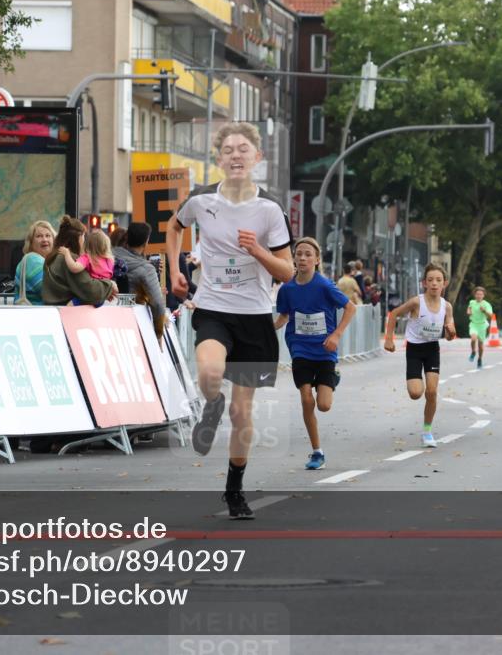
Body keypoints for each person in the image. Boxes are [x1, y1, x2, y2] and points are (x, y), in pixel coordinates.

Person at [166, 122, 294, 520]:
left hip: (255, 317)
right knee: (208, 372)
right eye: (228, 150)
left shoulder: (270, 210)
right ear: (218, 159)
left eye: (244, 149)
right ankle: (211, 403)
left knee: (244, 413)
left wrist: (258, 251)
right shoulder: (202, 201)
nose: (236, 155)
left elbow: (288, 272)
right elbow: (174, 226)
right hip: (214, 309)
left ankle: (234, 488)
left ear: (258, 158)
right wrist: (174, 270)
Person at [274, 237, 355, 471]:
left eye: (308, 254)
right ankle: (317, 451)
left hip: (324, 351)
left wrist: (337, 335)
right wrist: (265, 330)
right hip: (299, 349)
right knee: (306, 398)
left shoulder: (324, 286)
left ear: (317, 260)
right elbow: (283, 317)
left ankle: (332, 378)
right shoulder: (287, 289)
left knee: (324, 406)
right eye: (298, 254)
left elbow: (350, 308)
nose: (302, 258)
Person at [384, 263, 457, 448]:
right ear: (424, 283)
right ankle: (416, 384)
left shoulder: (446, 307)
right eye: (431, 280)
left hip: (432, 349)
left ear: (444, 284)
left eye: (438, 280)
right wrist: (389, 339)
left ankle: (427, 431)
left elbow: (449, 336)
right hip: (415, 350)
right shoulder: (417, 302)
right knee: (416, 393)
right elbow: (393, 314)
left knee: (432, 392)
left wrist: (451, 332)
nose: (434, 284)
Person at [42, 216, 116, 306]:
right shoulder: (68, 259)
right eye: (84, 236)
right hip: (67, 314)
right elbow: (91, 291)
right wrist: (110, 285)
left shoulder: (55, 256)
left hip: (57, 312)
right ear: (79, 237)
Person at [112, 222, 168, 336]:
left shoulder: (109, 256)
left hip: (104, 321)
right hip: (133, 327)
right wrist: (158, 334)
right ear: (146, 242)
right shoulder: (147, 269)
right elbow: (157, 304)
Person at [58, 229, 114, 305]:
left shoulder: (88, 258)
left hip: (89, 296)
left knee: (69, 305)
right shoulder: (109, 260)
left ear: (88, 245)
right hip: (102, 297)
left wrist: (67, 254)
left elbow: (74, 268)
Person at [14, 220, 56, 305]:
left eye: (48, 235)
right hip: (35, 317)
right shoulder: (32, 260)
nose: (44, 239)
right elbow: (52, 292)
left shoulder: (47, 261)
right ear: (31, 242)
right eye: (39, 236)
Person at [466, 286, 492, 368]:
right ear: (475, 295)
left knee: (480, 345)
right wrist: (469, 312)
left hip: (482, 326)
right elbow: (469, 309)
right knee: (473, 338)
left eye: (481, 294)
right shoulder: (472, 302)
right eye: (477, 294)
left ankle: (480, 359)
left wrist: (484, 311)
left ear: (483, 295)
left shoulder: (486, 304)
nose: (479, 296)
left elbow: (491, 315)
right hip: (473, 324)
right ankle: (473, 352)